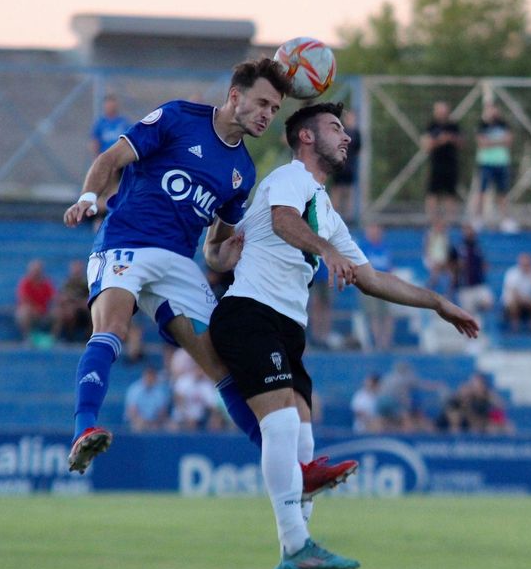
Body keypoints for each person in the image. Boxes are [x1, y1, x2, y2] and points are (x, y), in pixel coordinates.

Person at [207, 102, 479, 569]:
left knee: (305, 441)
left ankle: (295, 564)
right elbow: (284, 223)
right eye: (335, 128)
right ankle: (294, 549)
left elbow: (371, 277)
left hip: (287, 328)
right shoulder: (290, 180)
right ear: (305, 138)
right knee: (283, 420)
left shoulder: (327, 211)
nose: (347, 137)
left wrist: (437, 303)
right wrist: (325, 253)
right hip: (249, 313)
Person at [61, 59, 355, 499]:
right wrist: (89, 197)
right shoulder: (179, 118)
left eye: (274, 109)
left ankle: (295, 473)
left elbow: (213, 250)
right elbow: (111, 157)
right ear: (235, 96)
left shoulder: (243, 173)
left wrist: (225, 252)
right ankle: (85, 429)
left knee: (224, 366)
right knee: (113, 328)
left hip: (179, 262)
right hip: (125, 243)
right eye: (260, 103)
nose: (266, 114)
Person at [471, 104, 516, 232]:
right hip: (486, 163)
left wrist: (491, 142)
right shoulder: (481, 126)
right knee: (481, 191)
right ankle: (478, 219)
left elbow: (509, 141)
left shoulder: (504, 125)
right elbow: (482, 143)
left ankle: (505, 220)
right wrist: (499, 141)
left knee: (502, 193)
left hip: (502, 163)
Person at [422, 101, 462, 222]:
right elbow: (426, 145)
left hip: (451, 164)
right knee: (432, 192)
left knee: (451, 193)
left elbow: (462, 143)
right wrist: (440, 140)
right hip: (436, 164)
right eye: (440, 111)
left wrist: (452, 139)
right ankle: (431, 219)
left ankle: (451, 219)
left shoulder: (453, 126)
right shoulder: (431, 126)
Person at [358, 223, 395, 350]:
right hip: (370, 286)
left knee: (387, 314)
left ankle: (386, 342)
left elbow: (389, 266)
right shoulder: (363, 247)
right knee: (374, 314)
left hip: (385, 286)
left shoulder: (385, 247)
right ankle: (379, 342)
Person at [449, 222, 493, 317]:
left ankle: (480, 316)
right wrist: (457, 268)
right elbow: (450, 265)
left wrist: (483, 266)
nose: (469, 232)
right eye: (466, 230)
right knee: (469, 314)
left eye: (470, 230)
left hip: (479, 284)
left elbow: (483, 262)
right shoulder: (458, 247)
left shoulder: (478, 246)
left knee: (488, 302)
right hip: (465, 286)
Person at [329, 108, 361, 223]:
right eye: (349, 117)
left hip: (350, 166)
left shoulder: (356, 133)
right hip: (339, 165)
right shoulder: (340, 132)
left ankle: (349, 217)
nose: (350, 120)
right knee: (336, 189)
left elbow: (358, 149)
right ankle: (332, 214)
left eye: (352, 118)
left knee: (349, 190)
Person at [501, 252, 531, 332]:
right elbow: (513, 293)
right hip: (515, 302)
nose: (526, 266)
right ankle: (515, 328)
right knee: (513, 302)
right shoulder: (512, 273)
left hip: (528, 302)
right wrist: (525, 300)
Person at [15, 259, 55, 342]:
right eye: (34, 271)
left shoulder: (46, 283)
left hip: (44, 312)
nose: (36, 273)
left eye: (38, 271)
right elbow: (24, 299)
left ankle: (53, 338)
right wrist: (35, 309)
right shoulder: (25, 283)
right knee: (23, 312)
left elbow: (54, 298)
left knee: (59, 312)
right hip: (32, 311)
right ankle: (28, 337)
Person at [51, 259, 92, 342]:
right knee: (65, 312)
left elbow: (91, 297)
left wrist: (80, 302)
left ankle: (90, 336)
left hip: (84, 307)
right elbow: (61, 297)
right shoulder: (67, 283)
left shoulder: (88, 282)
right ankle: (64, 337)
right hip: (70, 307)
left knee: (94, 312)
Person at [124, 365, 172, 432]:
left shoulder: (160, 391)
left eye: (152, 376)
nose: (149, 378)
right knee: (139, 425)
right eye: (148, 376)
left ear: (155, 377)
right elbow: (132, 412)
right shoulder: (134, 389)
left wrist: (154, 423)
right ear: (144, 376)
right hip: (137, 421)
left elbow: (162, 413)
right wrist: (144, 422)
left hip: (155, 422)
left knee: (171, 426)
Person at [90, 94, 132, 158]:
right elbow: (95, 142)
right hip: (105, 158)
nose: (110, 107)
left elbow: (129, 140)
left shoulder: (123, 122)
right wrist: (96, 158)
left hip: (120, 158)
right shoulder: (100, 123)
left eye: (112, 105)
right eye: (108, 105)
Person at [422, 216, 451, 290]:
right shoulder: (430, 234)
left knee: (448, 276)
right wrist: (430, 260)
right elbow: (426, 248)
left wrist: (445, 261)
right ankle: (428, 289)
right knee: (435, 275)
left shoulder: (445, 236)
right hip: (432, 260)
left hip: (442, 260)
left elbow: (446, 250)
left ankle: (447, 292)